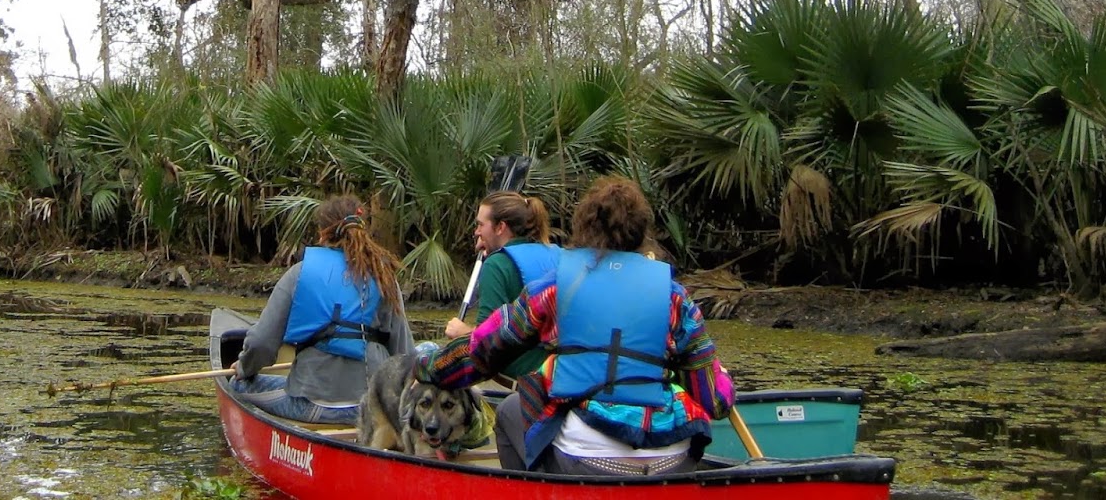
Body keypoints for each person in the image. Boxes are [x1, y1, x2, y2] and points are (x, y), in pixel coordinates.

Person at [416, 176, 734, 476]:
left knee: (512, 408)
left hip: (587, 459)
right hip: (671, 460)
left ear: (582, 229)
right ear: (640, 234)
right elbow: (715, 401)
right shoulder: (675, 297)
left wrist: (426, 367)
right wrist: (724, 381)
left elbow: (481, 351)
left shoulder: (557, 287)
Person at [233, 194, 414, 424]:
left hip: (313, 405)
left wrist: (243, 367)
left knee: (237, 384)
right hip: (372, 412)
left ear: (323, 233)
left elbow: (261, 344)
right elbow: (404, 355)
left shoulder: (299, 274)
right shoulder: (384, 277)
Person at [443, 191, 558, 378]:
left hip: (524, 381)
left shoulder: (496, 264)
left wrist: (463, 333)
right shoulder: (558, 254)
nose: (476, 232)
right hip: (562, 373)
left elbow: (487, 345)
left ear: (500, 227)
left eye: (480, 225)